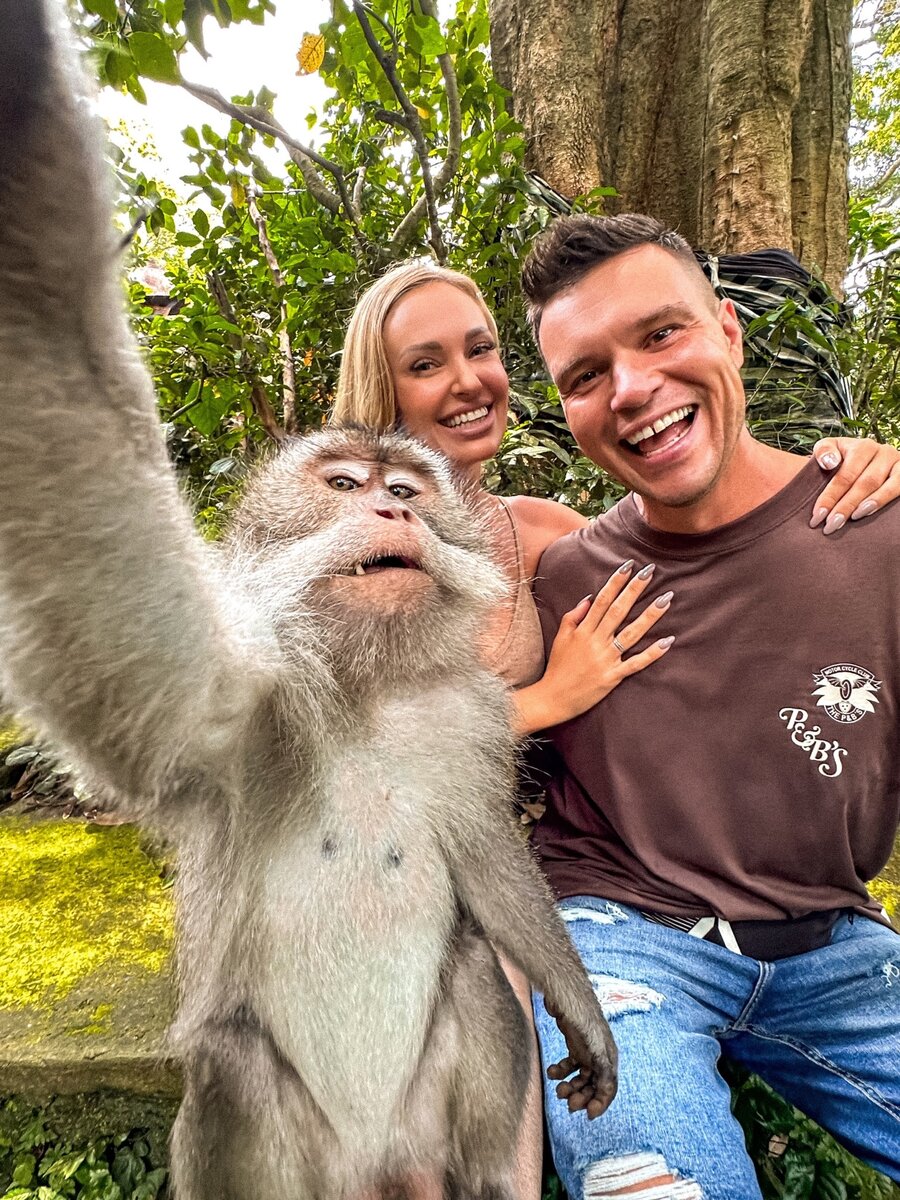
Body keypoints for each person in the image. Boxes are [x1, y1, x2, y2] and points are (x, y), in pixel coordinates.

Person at [332, 258, 900, 1200]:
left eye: (479, 349)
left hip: (808, 934)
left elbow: (711, 529)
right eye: (426, 363)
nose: (468, 378)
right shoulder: (358, 547)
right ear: (381, 391)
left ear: (729, 329)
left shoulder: (549, 540)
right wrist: (554, 695)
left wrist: (858, 472)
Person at [521, 213, 900, 1199]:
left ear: (729, 330)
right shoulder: (568, 577)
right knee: (652, 1181)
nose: (633, 390)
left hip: (832, 943)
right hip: (617, 941)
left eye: (660, 334)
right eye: (585, 374)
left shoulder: (876, 526)